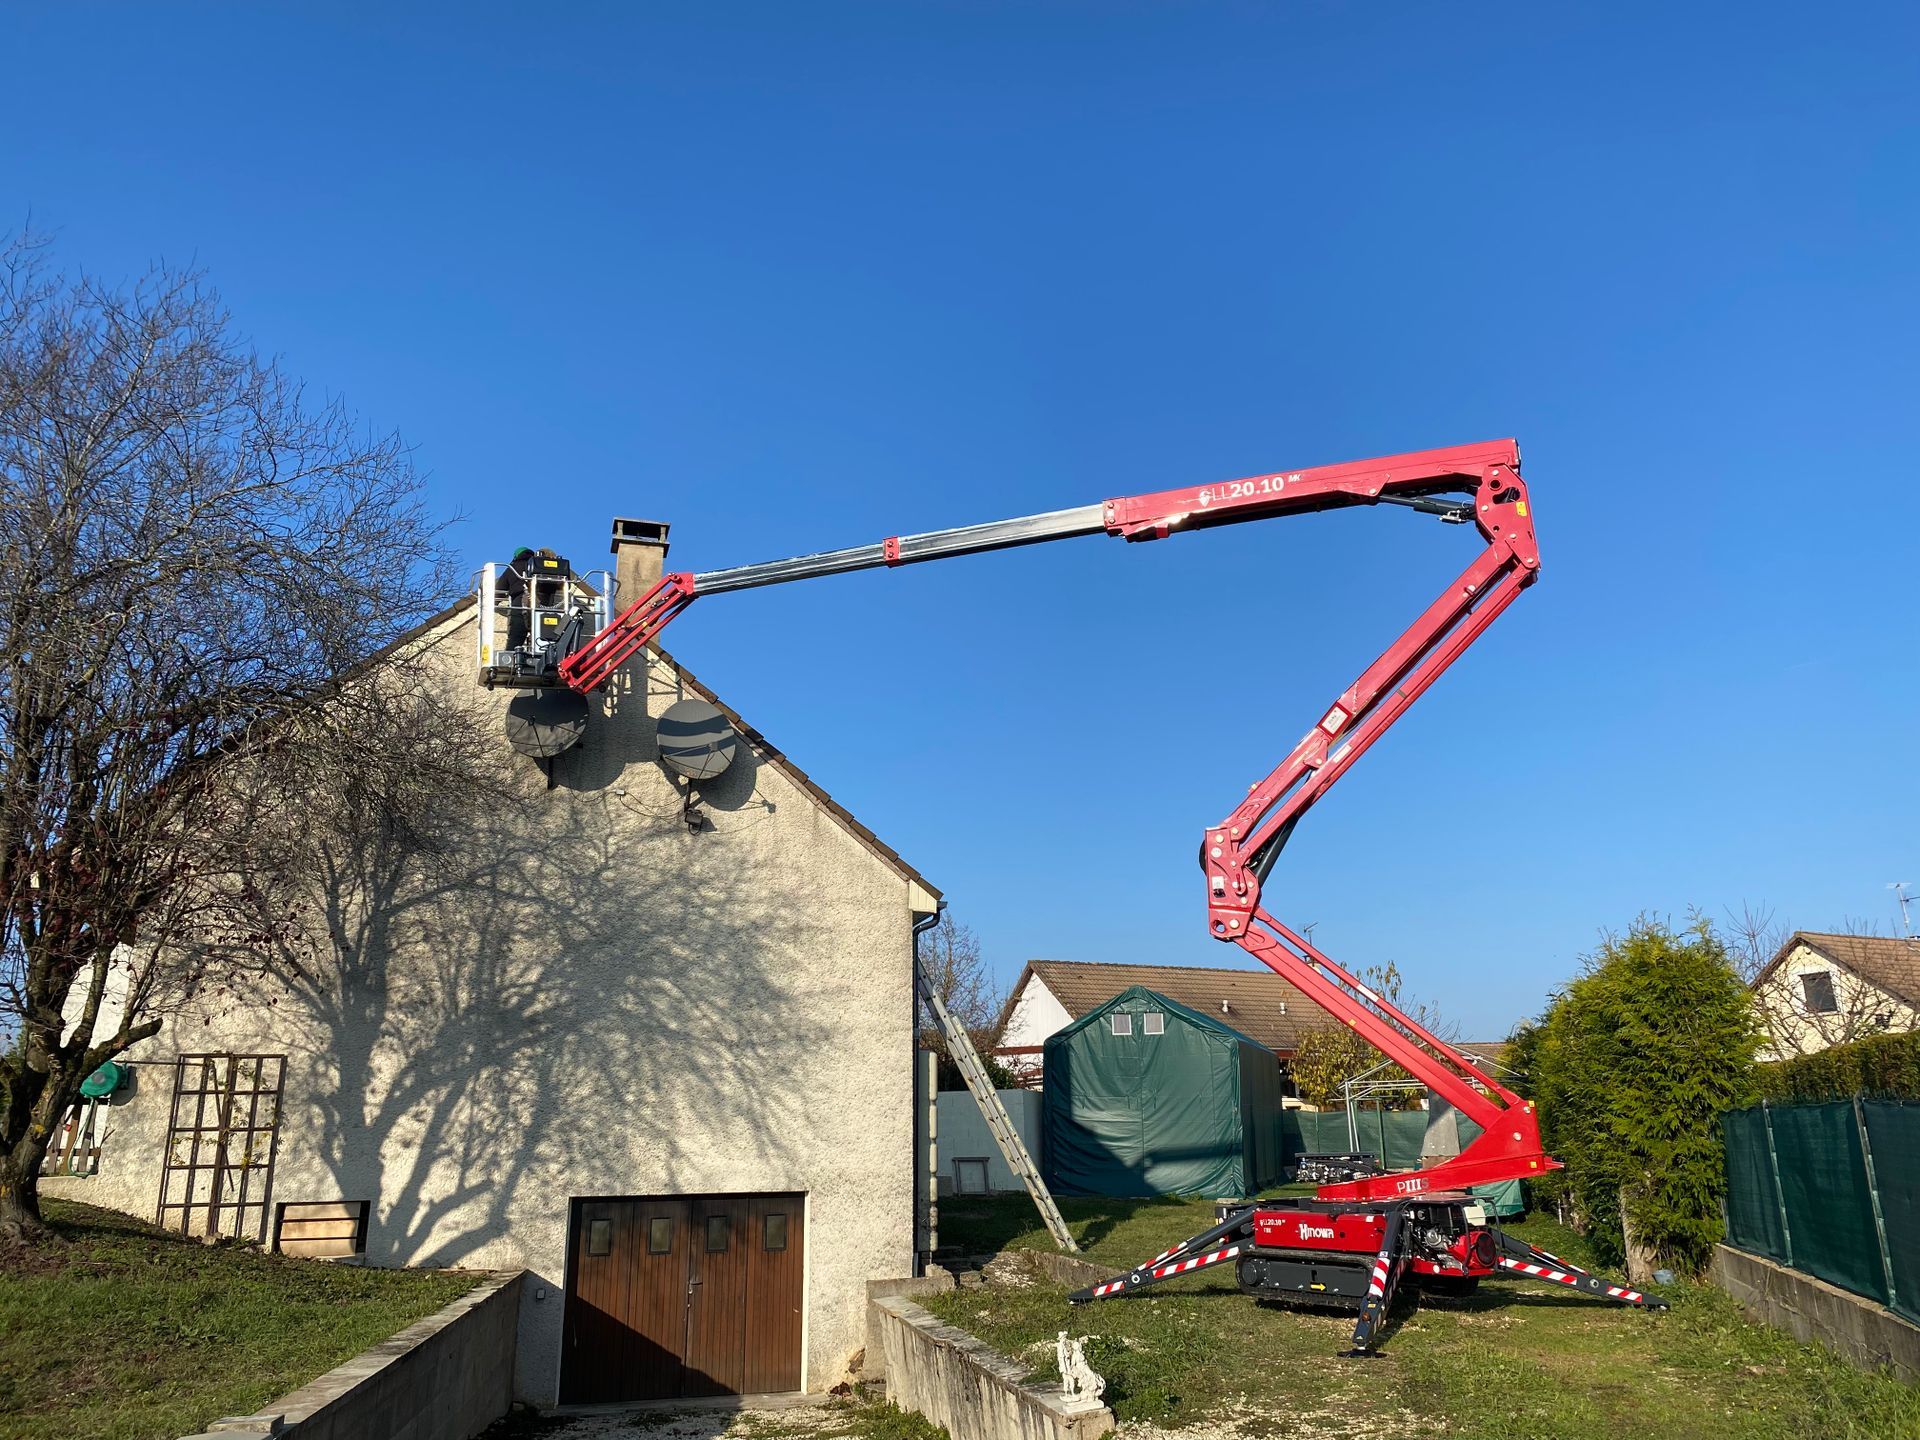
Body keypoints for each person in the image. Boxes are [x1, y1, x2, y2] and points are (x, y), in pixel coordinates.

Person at [500, 546, 535, 650]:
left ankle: (511, 661)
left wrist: (493, 603)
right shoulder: (537, 565)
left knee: (516, 637)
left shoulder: (512, 568)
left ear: (516, 557)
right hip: (543, 606)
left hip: (519, 604)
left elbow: (499, 589)